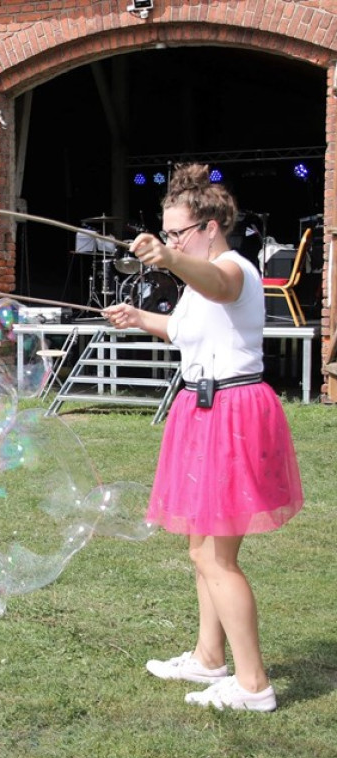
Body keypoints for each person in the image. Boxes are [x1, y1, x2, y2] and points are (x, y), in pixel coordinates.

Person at [103, 163, 303, 713]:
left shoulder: (233, 268)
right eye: (166, 234)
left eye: (178, 233)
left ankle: (253, 684)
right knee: (200, 549)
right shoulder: (196, 279)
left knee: (218, 556)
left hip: (232, 414)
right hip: (202, 408)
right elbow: (182, 330)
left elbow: (220, 287)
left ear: (211, 227)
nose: (170, 242)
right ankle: (209, 657)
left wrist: (170, 260)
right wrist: (138, 317)